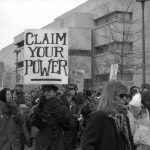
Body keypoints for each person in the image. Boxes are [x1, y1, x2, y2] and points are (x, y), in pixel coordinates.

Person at [82, 80, 136, 150]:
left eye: (127, 95)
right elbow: (88, 145)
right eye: (121, 95)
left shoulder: (124, 117)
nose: (125, 98)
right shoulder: (99, 116)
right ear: (111, 96)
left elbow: (129, 143)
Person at [30, 84, 74, 150]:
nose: (46, 93)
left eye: (49, 91)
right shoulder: (39, 107)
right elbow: (33, 122)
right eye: (45, 91)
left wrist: (61, 116)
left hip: (57, 140)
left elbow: (70, 124)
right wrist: (42, 120)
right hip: (43, 140)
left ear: (54, 92)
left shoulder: (61, 105)